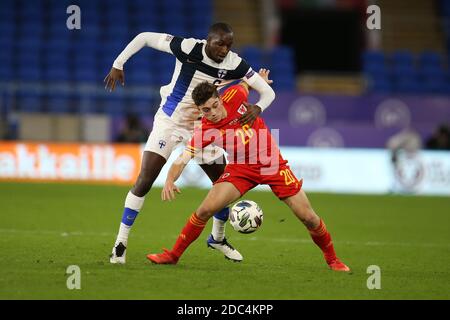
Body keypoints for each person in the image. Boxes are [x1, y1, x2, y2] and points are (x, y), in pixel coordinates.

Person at [104, 23, 276, 264]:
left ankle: (217, 238)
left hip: (205, 127)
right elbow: (143, 37)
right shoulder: (187, 48)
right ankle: (120, 244)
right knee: (144, 180)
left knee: (223, 185)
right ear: (208, 40)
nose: (224, 50)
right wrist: (118, 63)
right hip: (171, 122)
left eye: (229, 45)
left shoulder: (235, 63)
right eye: (220, 44)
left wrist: (258, 107)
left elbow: (267, 92)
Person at [146, 70, 350, 272]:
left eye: (214, 105)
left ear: (220, 98)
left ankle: (333, 260)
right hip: (240, 168)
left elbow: (247, 83)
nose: (213, 112)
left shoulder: (235, 95)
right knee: (205, 210)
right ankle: (173, 255)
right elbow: (181, 160)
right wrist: (169, 180)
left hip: (271, 163)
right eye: (206, 110)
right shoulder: (206, 130)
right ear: (200, 111)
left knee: (308, 217)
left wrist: (260, 80)